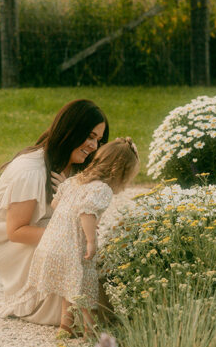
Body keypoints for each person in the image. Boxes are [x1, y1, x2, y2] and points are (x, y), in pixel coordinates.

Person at [0, 99, 109, 325]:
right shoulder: (30, 171)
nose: (94, 146)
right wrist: (66, 235)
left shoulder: (73, 166)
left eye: (99, 140)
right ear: (71, 131)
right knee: (73, 256)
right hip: (3, 238)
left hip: (40, 230)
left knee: (86, 262)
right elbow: (15, 231)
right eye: (90, 136)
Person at [11, 137, 140, 336]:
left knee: (68, 287)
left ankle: (65, 327)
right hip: (74, 245)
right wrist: (91, 240)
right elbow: (87, 212)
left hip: (54, 243)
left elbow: (55, 205)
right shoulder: (102, 189)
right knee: (86, 290)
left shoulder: (75, 181)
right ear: (120, 171)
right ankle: (91, 330)